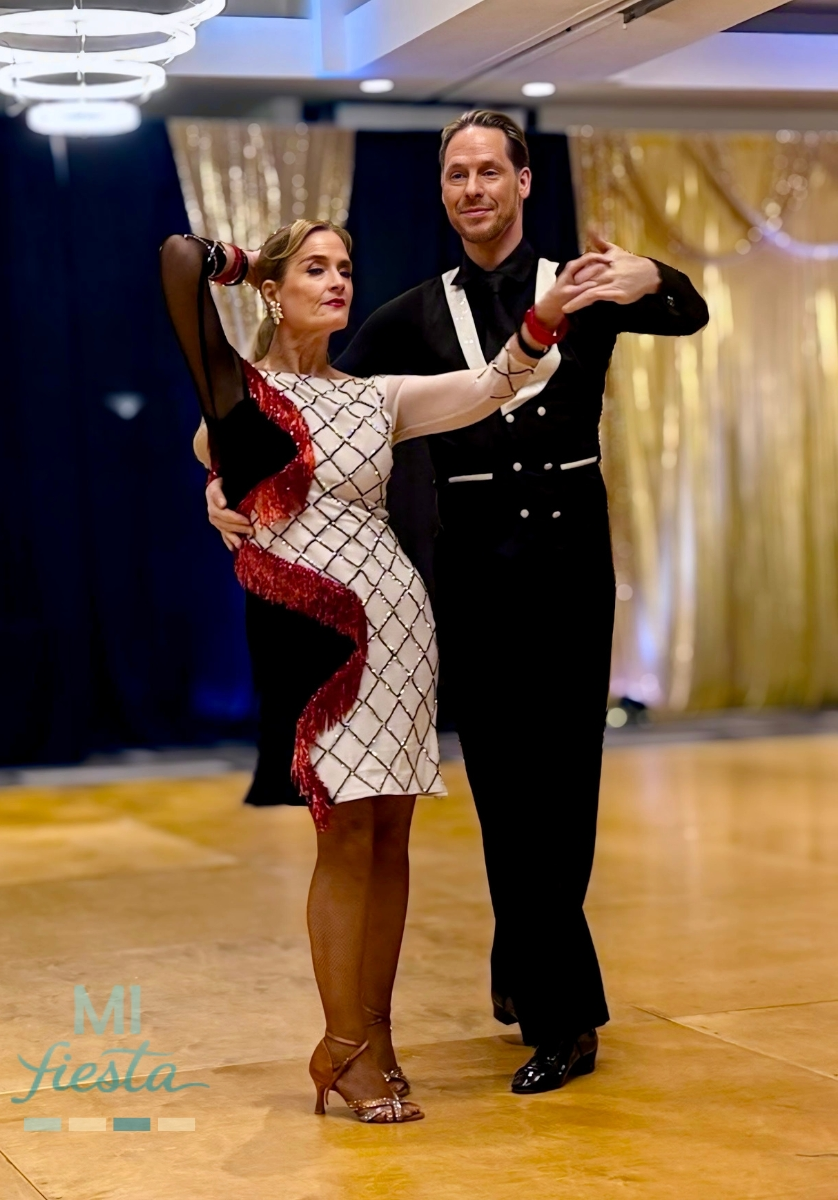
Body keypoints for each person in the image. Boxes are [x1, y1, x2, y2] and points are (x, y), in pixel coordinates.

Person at [205, 112, 709, 1097]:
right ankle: (553, 999)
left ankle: (538, 976)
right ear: (442, 193)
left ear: (524, 181)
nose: (472, 188)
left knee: (565, 795)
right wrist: (221, 485)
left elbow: (688, 313)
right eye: (454, 175)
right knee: (506, 797)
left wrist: (647, 272)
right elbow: (300, 409)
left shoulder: (580, 286)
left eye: (488, 171)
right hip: (471, 574)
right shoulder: (406, 314)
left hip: (569, 566)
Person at [161, 217, 596, 1122]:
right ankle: (343, 1045)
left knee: (392, 837)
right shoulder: (241, 390)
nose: (338, 281)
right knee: (345, 836)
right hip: (323, 639)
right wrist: (246, 264)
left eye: (346, 268)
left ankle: (376, 1040)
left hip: (404, 626)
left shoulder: (377, 395)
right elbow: (177, 263)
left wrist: (546, 315)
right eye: (314, 269)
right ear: (274, 289)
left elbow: (495, 383)